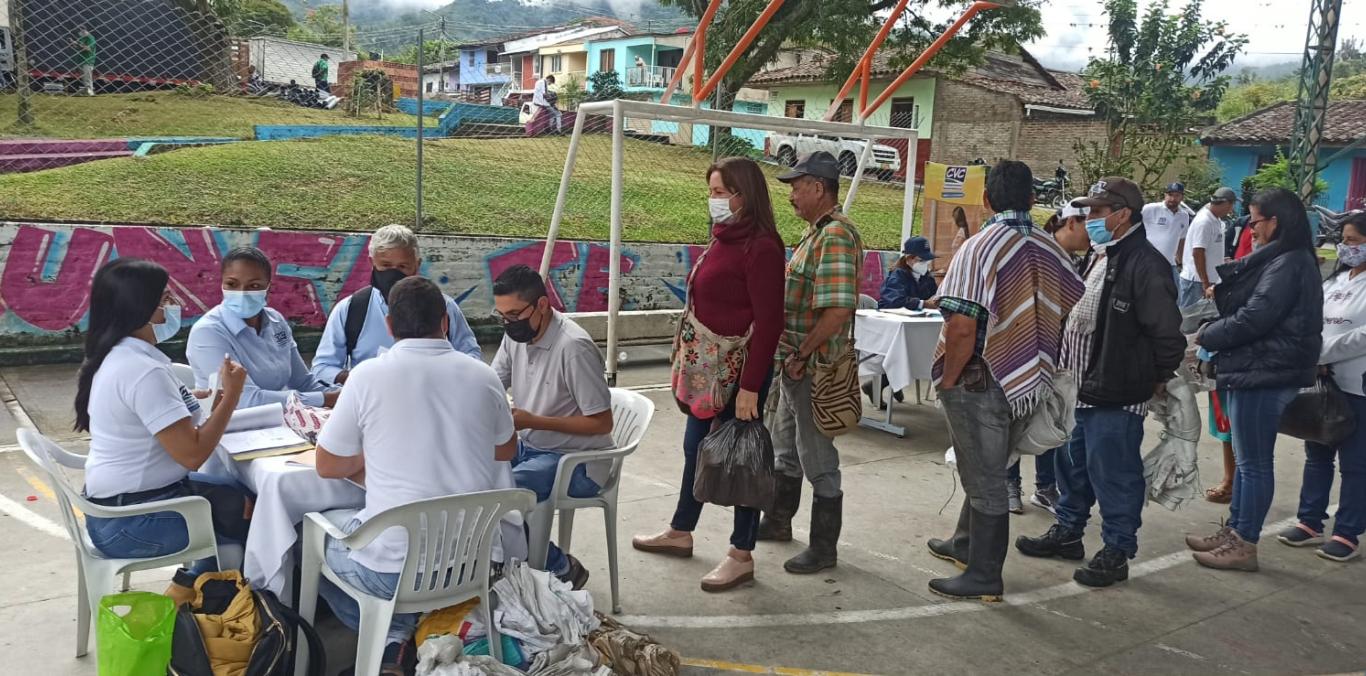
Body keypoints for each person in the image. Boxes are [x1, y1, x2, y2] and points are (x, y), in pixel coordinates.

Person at [313, 276, 519, 673]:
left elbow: (328, 465)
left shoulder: (368, 376)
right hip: (472, 565)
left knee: (311, 537)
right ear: (445, 322)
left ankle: (391, 635)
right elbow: (506, 449)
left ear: (389, 326)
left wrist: (372, 457)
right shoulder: (483, 375)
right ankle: (403, 635)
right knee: (402, 554)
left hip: (391, 575)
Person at [925, 160, 1085, 601]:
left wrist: (948, 378)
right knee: (988, 465)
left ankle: (984, 576)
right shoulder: (1051, 248)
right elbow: (1069, 303)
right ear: (1032, 200)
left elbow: (962, 325)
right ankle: (964, 544)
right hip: (1031, 378)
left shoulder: (980, 247)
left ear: (987, 199)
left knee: (985, 477)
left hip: (983, 377)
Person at [1015, 178, 1184, 588]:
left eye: (1096, 212)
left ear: (1122, 214)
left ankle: (1117, 549)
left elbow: (1167, 334)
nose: (1087, 219)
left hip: (1116, 391)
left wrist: (1158, 376)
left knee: (1114, 473)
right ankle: (1068, 531)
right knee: (1073, 467)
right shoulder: (1099, 255)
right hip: (1080, 388)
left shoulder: (1145, 264)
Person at [632, 158, 786, 592]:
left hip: (739, 374)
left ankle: (742, 553)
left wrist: (751, 387)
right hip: (709, 373)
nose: (714, 200)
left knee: (740, 458)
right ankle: (681, 530)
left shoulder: (762, 247)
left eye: (721, 192)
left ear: (744, 195)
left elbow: (770, 322)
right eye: (712, 191)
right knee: (695, 448)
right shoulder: (724, 238)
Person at [75, 258, 251, 606]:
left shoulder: (123, 355)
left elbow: (184, 426)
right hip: (132, 522)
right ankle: (225, 609)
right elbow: (193, 453)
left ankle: (190, 586)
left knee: (242, 497)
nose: (171, 303)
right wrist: (231, 397)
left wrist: (214, 399)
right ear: (142, 306)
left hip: (130, 501)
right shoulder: (142, 371)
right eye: (164, 296)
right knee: (252, 519)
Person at [1189, 188, 1323, 571]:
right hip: (1257, 367)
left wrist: (1209, 333)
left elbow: (1255, 317)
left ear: (1275, 221)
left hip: (1266, 371)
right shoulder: (1283, 260)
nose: (1252, 227)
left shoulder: (1290, 263)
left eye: (1256, 220)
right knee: (1248, 461)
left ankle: (1244, 541)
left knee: (1253, 463)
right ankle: (1235, 530)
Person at [755, 151, 862, 575]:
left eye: (797, 187)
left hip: (813, 367)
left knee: (817, 457)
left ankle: (823, 547)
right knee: (786, 446)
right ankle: (779, 519)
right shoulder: (816, 234)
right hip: (795, 362)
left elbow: (836, 310)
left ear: (818, 188)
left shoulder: (834, 235)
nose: (792, 196)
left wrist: (800, 355)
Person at [491, 265, 614, 589]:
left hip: (578, 461)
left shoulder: (573, 347)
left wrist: (533, 420)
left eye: (515, 314)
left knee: (502, 496)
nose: (508, 323)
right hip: (532, 445)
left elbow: (602, 422)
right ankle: (512, 567)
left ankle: (559, 566)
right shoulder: (515, 336)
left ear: (543, 305)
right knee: (471, 479)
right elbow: (491, 384)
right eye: (502, 315)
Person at [1276, 211, 1366, 563]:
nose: (1346, 247)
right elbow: (1312, 318)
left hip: (1357, 385)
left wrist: (1322, 352)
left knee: (1356, 462)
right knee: (1317, 453)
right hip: (1322, 381)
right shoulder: (1335, 282)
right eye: (1344, 240)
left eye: (1354, 241)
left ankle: (1347, 532)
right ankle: (1310, 521)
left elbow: (1361, 336)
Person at [1006, 203, 1093, 515]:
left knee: (1050, 419)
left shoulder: (1080, 259)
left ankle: (1045, 487)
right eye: (1090, 223)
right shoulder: (1035, 252)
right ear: (1071, 222)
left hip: (1055, 354)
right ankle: (1009, 483)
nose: (1095, 232)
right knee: (1014, 420)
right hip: (1020, 352)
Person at [311, 224, 479, 385]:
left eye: (402, 267)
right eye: (386, 266)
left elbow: (472, 357)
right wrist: (363, 379)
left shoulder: (444, 307)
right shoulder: (350, 310)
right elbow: (323, 368)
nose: (393, 273)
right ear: (372, 263)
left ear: (417, 265)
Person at [188, 247, 337, 409]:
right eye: (232, 284)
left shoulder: (276, 321)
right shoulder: (208, 332)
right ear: (222, 284)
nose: (242, 292)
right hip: (228, 427)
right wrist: (326, 399)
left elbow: (303, 381)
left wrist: (347, 394)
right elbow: (244, 400)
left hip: (279, 422)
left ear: (268, 288)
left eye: (254, 286)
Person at [1178, 187, 1237, 309]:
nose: (1232, 209)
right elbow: (1198, 252)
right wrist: (1205, 283)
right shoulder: (1204, 221)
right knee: (1188, 321)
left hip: (1207, 281)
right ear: (1225, 203)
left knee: (1198, 322)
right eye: (1232, 205)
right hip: (1196, 282)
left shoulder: (1215, 219)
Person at [1141, 182, 1194, 282]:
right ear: (1165, 195)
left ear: (1182, 197)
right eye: (1170, 195)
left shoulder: (1184, 216)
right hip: (1148, 262)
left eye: (1177, 196)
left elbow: (1181, 240)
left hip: (1170, 263)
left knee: (1175, 294)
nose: (1173, 199)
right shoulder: (1151, 209)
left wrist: (1181, 263)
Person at [878, 236, 938, 311]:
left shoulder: (927, 278)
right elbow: (896, 301)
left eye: (927, 260)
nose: (925, 264)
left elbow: (935, 295)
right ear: (909, 258)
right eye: (921, 260)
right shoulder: (897, 276)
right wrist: (924, 304)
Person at [74, 27, 96, 96]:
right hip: (82, 60)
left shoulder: (90, 38)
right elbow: (79, 48)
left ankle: (90, 91)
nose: (80, 33)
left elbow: (88, 48)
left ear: (85, 31)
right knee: (84, 78)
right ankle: (87, 90)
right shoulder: (82, 38)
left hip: (88, 60)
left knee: (87, 77)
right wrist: (73, 44)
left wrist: (78, 44)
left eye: (81, 31)